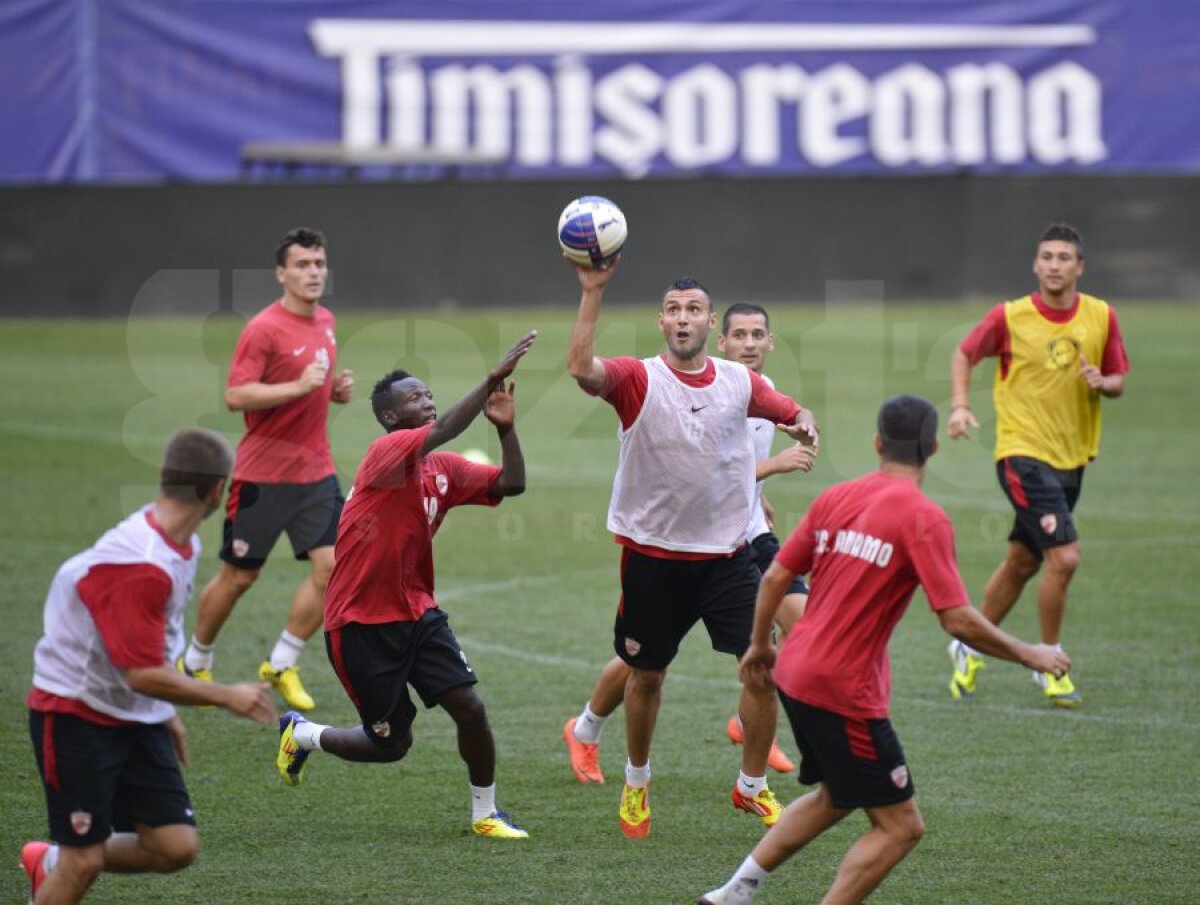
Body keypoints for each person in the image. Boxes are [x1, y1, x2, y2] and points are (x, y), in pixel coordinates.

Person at [698, 395, 1072, 905]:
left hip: (796, 671)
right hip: (842, 688)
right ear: (934, 448)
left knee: (835, 795)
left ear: (877, 444)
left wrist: (762, 645)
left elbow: (777, 576)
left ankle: (735, 892)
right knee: (901, 826)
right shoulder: (924, 517)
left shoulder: (836, 497)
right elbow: (957, 618)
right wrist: (1032, 653)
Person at [564, 259, 820, 839]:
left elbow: (787, 410)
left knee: (764, 667)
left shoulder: (740, 381)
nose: (684, 319)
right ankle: (636, 779)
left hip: (727, 558)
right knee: (647, 677)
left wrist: (804, 421)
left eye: (694, 310)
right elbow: (581, 367)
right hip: (653, 560)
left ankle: (750, 787)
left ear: (710, 322)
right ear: (662, 322)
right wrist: (593, 289)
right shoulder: (638, 378)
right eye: (674, 310)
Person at [273, 330, 538, 840]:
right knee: (390, 745)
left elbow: (511, 484)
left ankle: (486, 813)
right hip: (359, 623)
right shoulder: (385, 455)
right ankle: (303, 735)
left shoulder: (442, 469)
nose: (428, 400)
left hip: (417, 612)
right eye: (415, 398)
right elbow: (443, 430)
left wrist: (505, 429)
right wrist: (488, 383)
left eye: (428, 393)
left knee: (470, 707)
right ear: (393, 418)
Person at [20, 429, 277, 904]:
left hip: (132, 710)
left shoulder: (181, 545)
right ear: (218, 490)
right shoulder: (141, 563)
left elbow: (152, 646)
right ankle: (64, 862)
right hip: (76, 712)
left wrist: (165, 712)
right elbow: (138, 671)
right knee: (85, 863)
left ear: (165, 477)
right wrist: (226, 695)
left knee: (175, 846)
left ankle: (51, 859)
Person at [946, 223, 1129, 707]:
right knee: (1064, 557)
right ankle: (1049, 659)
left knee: (1024, 561)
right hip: (1022, 454)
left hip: (1072, 459)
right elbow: (965, 353)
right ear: (1035, 263)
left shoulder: (1101, 316)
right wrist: (961, 406)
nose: (1054, 265)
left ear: (1080, 267)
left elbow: (1118, 380)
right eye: (1046, 256)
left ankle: (967, 643)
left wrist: (1101, 382)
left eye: (1064, 257)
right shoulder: (1011, 317)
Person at [179, 227, 355, 712]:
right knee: (239, 578)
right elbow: (237, 395)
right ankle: (194, 662)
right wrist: (299, 388)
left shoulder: (327, 321)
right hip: (262, 478)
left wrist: (331, 392)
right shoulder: (263, 328)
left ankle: (282, 662)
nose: (314, 272)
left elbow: (308, 387)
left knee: (334, 570)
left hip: (316, 472)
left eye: (319, 263)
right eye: (302, 265)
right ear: (282, 274)